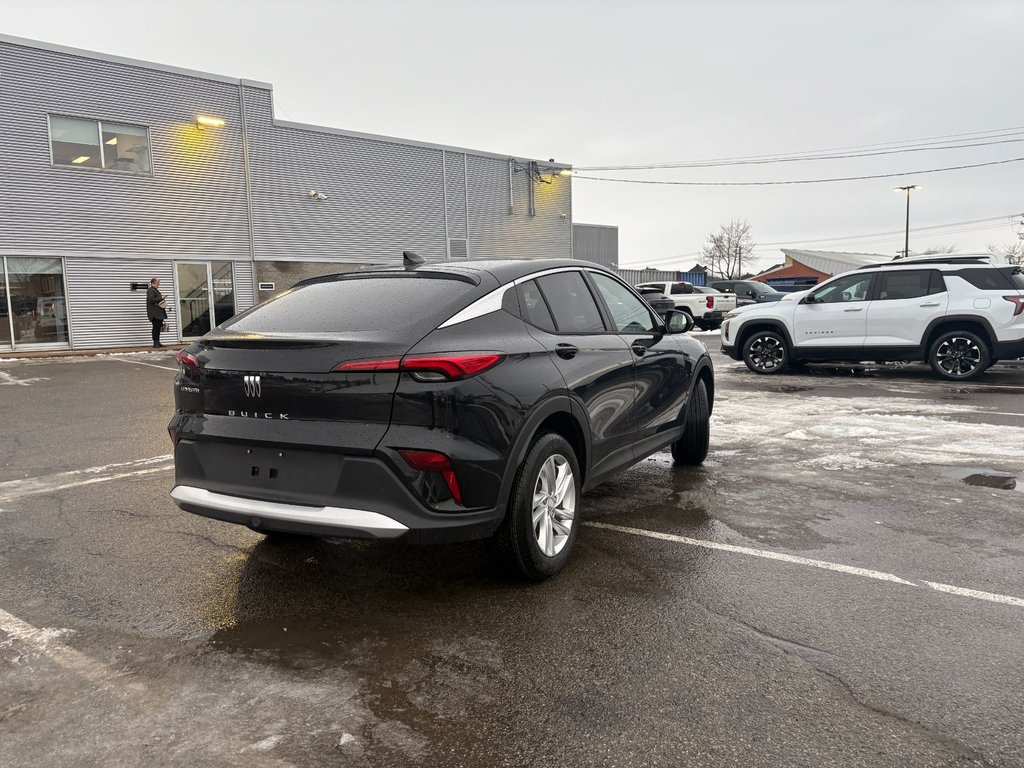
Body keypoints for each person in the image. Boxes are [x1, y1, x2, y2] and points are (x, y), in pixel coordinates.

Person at [146, 278, 168, 348]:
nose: (158, 285)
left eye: (158, 284)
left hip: (158, 313)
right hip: (154, 313)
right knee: (155, 328)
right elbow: (151, 300)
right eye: (157, 284)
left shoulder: (155, 290)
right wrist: (161, 298)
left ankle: (158, 342)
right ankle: (155, 342)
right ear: (152, 283)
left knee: (158, 327)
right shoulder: (151, 290)